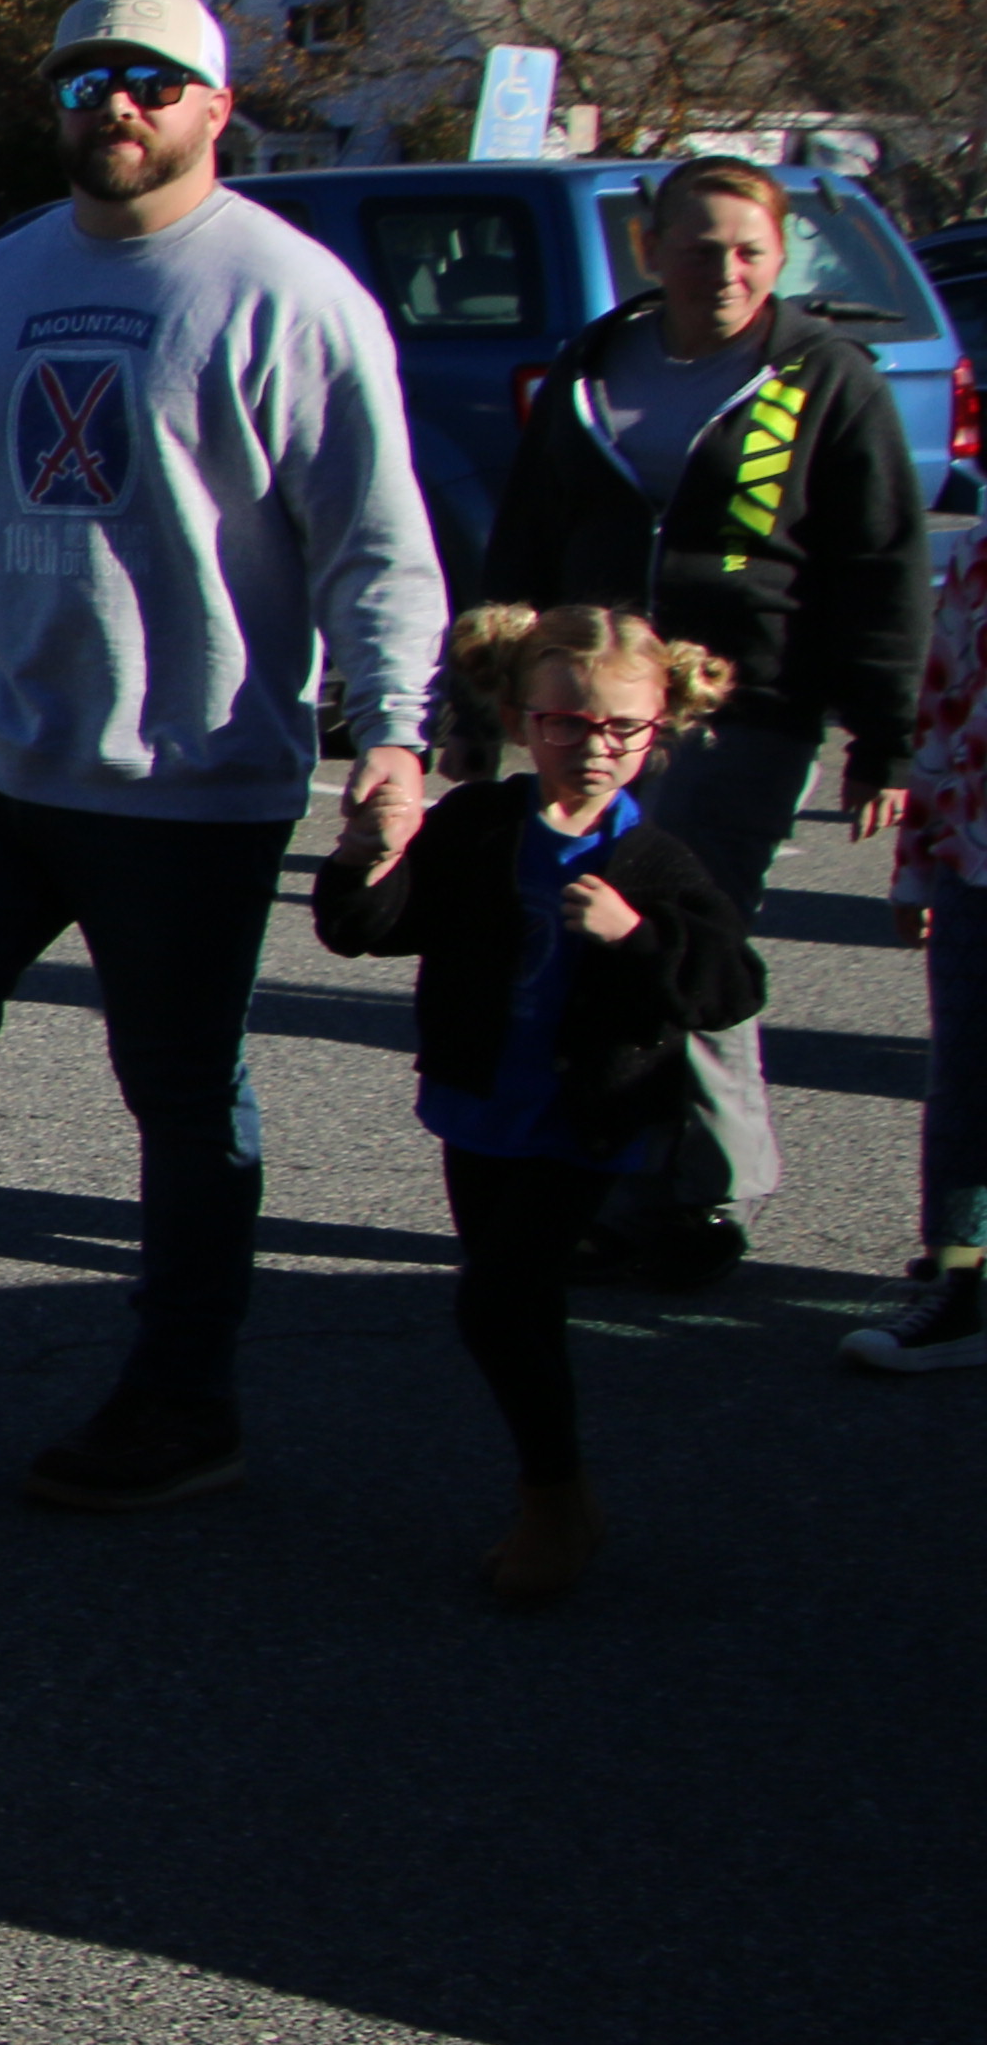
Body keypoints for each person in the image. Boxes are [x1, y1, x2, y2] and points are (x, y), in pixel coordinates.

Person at [0, 0, 444, 1512]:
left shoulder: (288, 295)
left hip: (190, 778)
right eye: (85, 78)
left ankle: (183, 1397)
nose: (115, 103)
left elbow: (376, 549)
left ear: (212, 109)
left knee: (183, 1098)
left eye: (153, 81)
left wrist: (394, 740)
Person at [476, 156, 927, 1284]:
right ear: (650, 250)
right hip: (589, 705)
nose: (724, 270)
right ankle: (612, 1173)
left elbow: (881, 564)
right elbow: (530, 532)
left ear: (777, 258)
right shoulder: (595, 364)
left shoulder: (823, 376)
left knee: (686, 934)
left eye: (749, 251)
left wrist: (886, 736)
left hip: (743, 712)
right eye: (699, 247)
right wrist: (485, 695)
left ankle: (706, 1191)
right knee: (582, 929)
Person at [308, 604, 760, 1598]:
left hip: (587, 1119)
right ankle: (559, 1492)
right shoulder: (480, 828)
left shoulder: (657, 864)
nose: (593, 749)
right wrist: (364, 861)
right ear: (521, 721)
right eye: (567, 724)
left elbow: (731, 987)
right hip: (482, 1104)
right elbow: (373, 929)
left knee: (501, 1300)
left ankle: (555, 1502)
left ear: (657, 729)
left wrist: (638, 937)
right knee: (514, 1301)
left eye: (620, 730)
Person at [855, 527, 987, 1374]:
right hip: (972, 861)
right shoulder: (974, 559)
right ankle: (964, 1280)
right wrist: (914, 868)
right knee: (968, 1076)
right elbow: (940, 711)